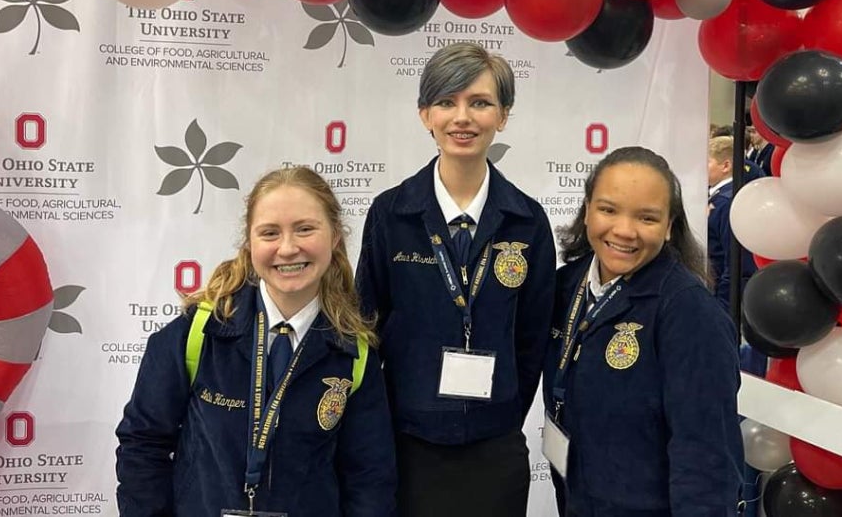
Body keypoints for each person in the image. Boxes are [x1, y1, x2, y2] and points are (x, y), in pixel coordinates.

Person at [115, 166, 397, 517]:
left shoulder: (353, 355)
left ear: (335, 236)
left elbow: (369, 479)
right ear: (250, 243)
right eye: (270, 233)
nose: (288, 248)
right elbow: (143, 444)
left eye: (305, 229)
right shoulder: (197, 334)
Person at [356, 43, 556, 517]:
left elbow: (533, 339)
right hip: (407, 444)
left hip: (495, 447)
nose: (462, 117)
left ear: (503, 115)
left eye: (480, 102)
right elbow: (367, 327)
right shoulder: (392, 214)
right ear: (425, 114)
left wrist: (503, 408)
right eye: (446, 102)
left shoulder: (526, 220)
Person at [542, 146, 743, 517]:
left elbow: (706, 456)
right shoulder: (564, 287)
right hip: (576, 499)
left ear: (669, 227)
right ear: (586, 210)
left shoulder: (689, 312)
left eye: (647, 218)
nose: (624, 230)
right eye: (608, 209)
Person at [707, 135, 761, 311]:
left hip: (720, 292)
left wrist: (723, 305)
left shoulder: (726, 202)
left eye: (707, 162)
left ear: (726, 166)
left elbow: (734, 259)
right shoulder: (716, 196)